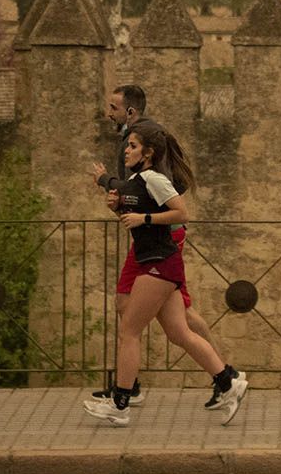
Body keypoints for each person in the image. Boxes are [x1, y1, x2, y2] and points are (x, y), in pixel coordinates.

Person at [83, 120, 247, 427]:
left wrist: (143, 216)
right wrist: (115, 207)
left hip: (159, 261)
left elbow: (180, 212)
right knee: (179, 332)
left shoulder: (155, 179)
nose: (126, 150)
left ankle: (120, 404)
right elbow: (131, 214)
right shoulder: (137, 179)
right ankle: (228, 382)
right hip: (156, 261)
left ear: (148, 153)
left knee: (129, 331)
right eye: (127, 145)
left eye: (132, 146)